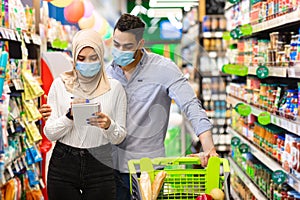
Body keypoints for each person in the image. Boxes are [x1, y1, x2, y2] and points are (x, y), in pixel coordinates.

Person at [41, 14, 218, 200]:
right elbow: (81, 108)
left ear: (140, 44)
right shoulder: (107, 74)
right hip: (111, 169)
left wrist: (209, 148)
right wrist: (53, 112)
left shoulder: (164, 69)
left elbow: (191, 106)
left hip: (148, 170)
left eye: (127, 47)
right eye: (116, 45)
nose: (120, 51)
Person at [43, 29, 127, 200]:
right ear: (74, 58)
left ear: (101, 57)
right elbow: (50, 133)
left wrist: (108, 125)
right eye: (81, 58)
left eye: (93, 58)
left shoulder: (115, 88)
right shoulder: (60, 85)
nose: (87, 63)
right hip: (63, 163)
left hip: (101, 164)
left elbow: (119, 137)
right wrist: (69, 117)